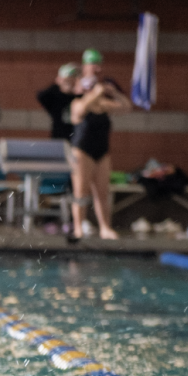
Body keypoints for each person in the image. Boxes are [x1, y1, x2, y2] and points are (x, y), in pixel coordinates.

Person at [68, 49, 132, 240]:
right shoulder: (77, 103)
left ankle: (105, 228)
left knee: (102, 192)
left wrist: (115, 94)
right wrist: (96, 93)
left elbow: (127, 108)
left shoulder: (103, 104)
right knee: (81, 191)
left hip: (102, 151)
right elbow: (81, 112)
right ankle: (78, 227)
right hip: (82, 151)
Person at [37, 63, 79, 141]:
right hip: (59, 138)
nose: (69, 83)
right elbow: (41, 96)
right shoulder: (56, 97)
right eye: (67, 80)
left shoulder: (79, 97)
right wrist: (58, 84)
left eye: (71, 80)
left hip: (76, 139)